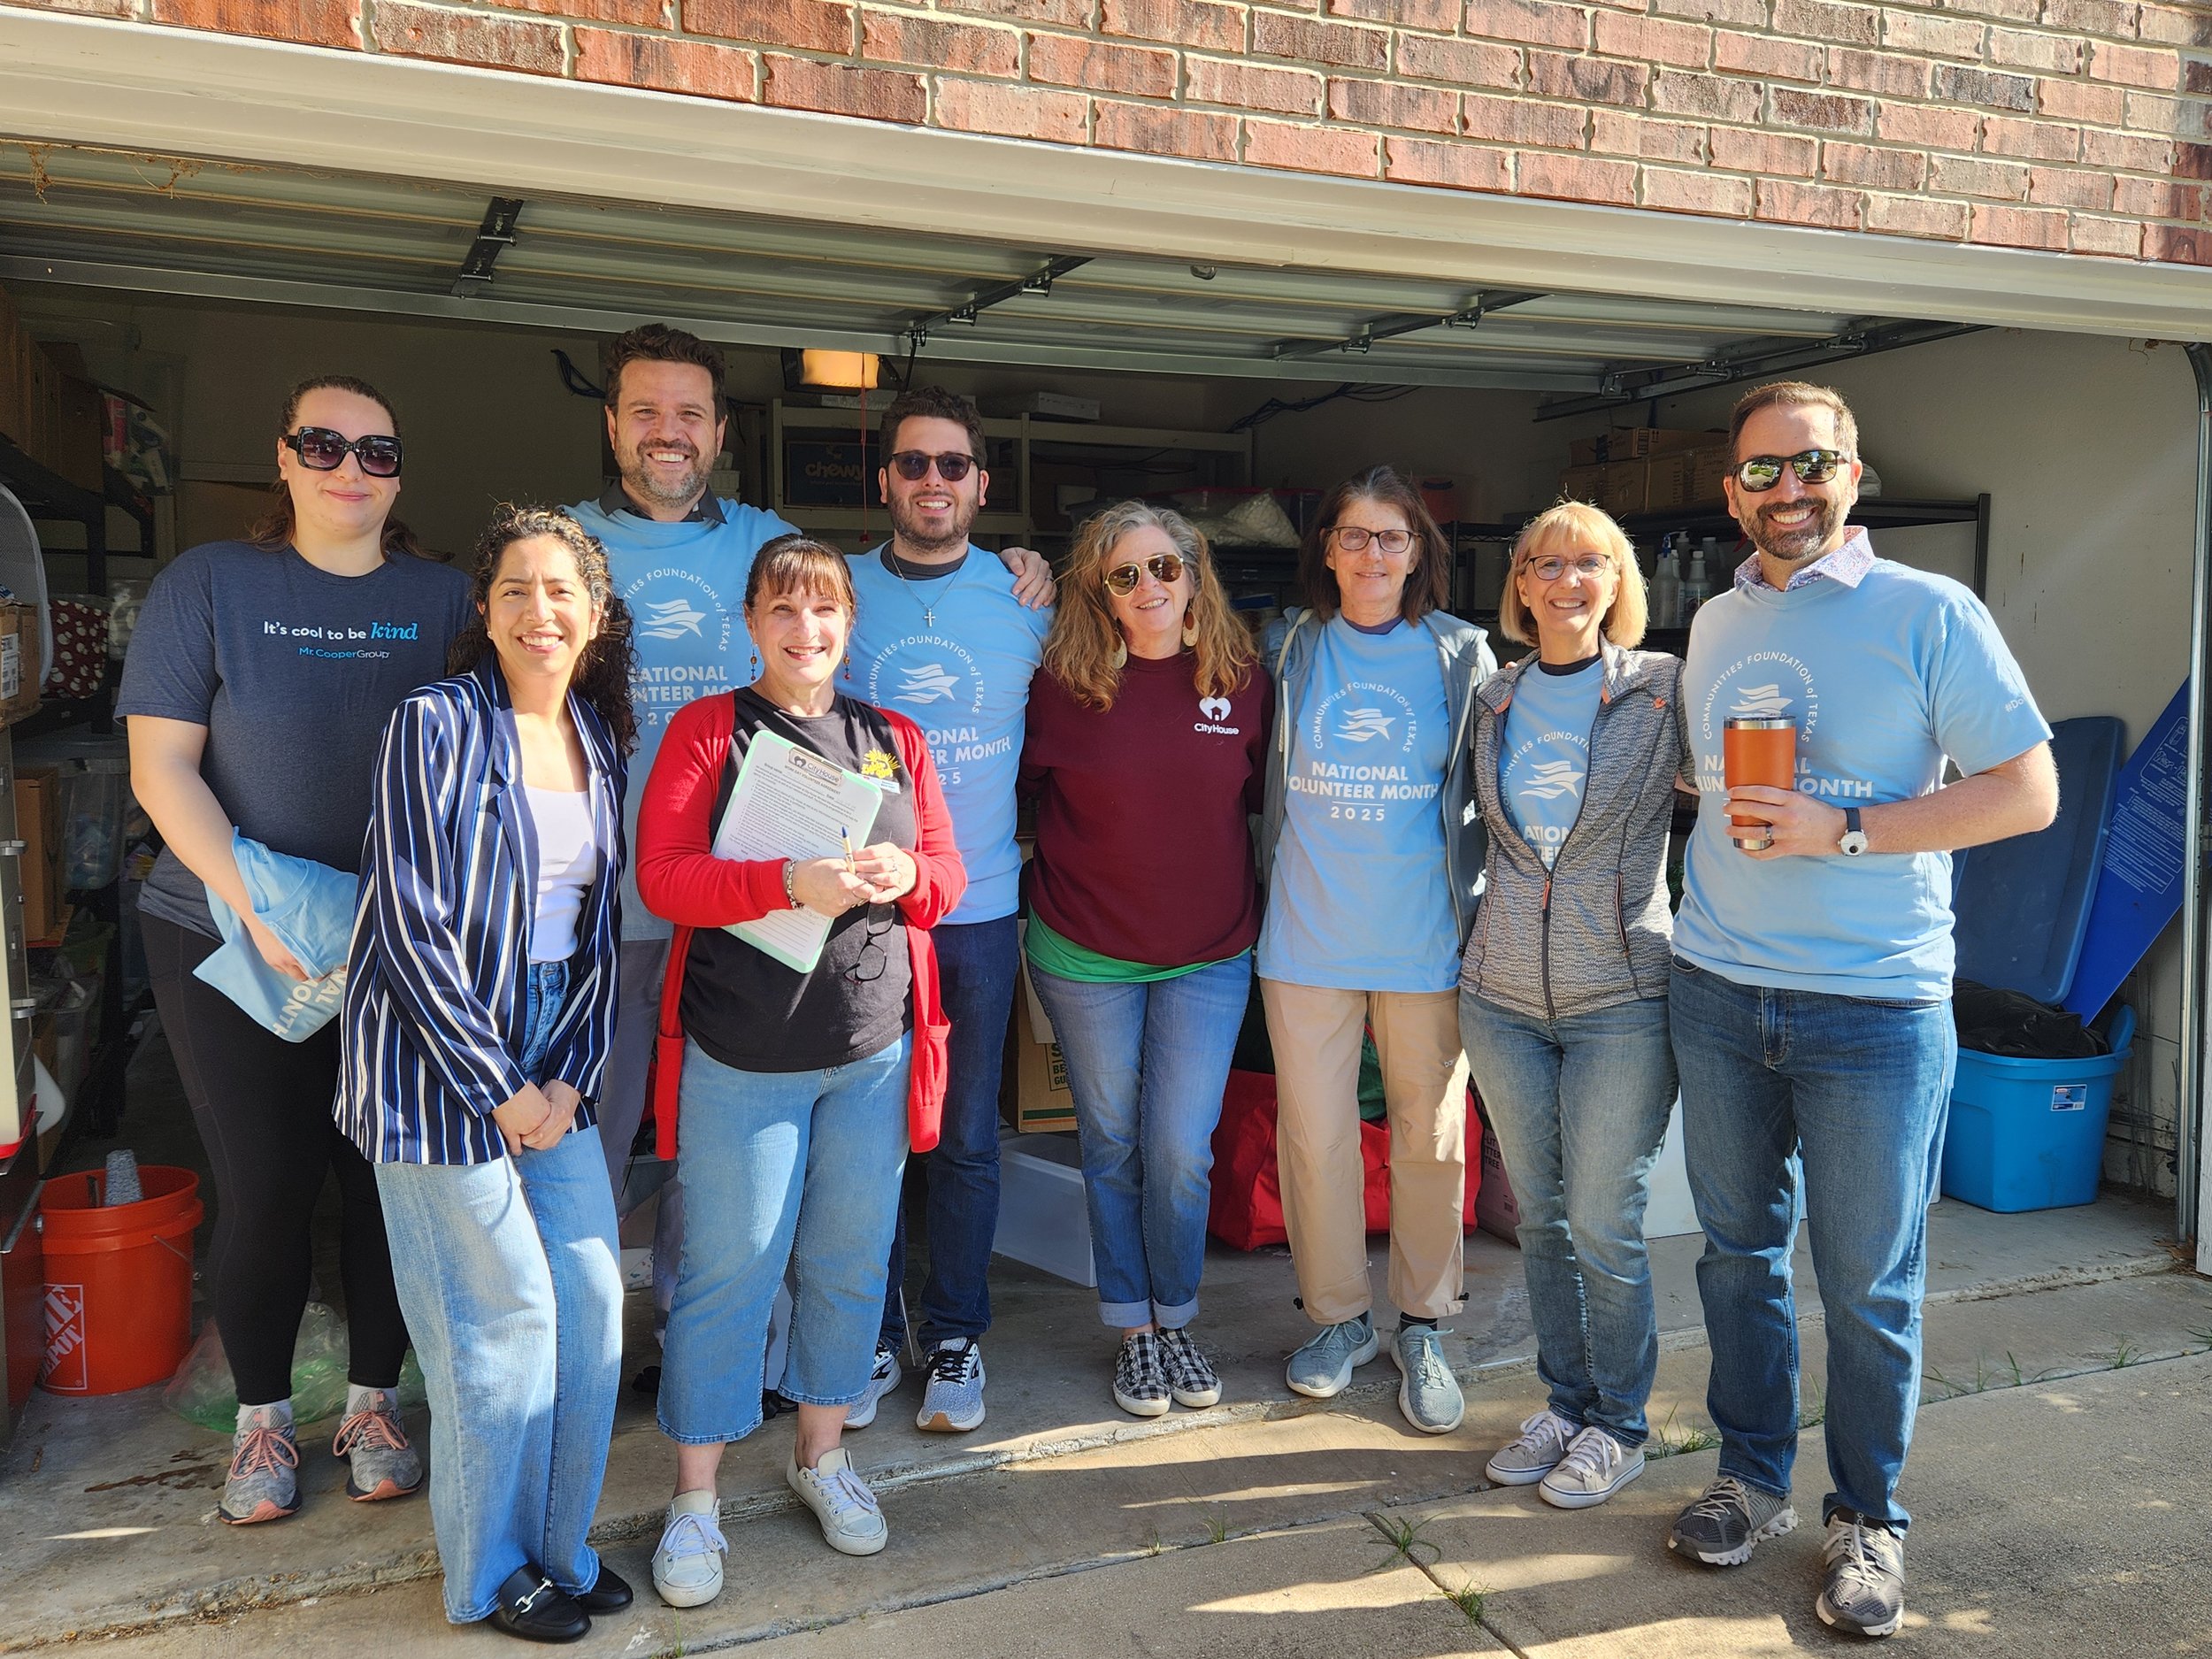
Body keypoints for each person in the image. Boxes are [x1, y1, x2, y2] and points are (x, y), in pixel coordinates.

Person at [568, 332, 1047, 1360]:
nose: (669, 433)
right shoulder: (567, 552)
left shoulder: (780, 545)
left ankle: (735, 1348)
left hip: (823, 925)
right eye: (646, 412)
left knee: (755, 1167)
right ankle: (589, 1357)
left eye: (690, 413)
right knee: (597, 1143)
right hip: (602, 906)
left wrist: (908, 872)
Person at [1665, 381, 2055, 1639]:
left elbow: (2027, 789)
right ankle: (1751, 1475)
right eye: (1764, 472)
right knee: (1736, 1254)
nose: (1790, 491)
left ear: (1853, 472)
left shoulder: (1932, 611)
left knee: (1871, 1281)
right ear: (1732, 492)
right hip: (1721, 984)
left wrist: (1846, 825)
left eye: (1813, 464)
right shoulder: (1716, 621)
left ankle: (1869, 1514)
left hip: (1877, 1005)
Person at [121, 374, 470, 1524]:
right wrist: (253, 898)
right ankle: (265, 1420)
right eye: (323, 443)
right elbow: (161, 763)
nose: (348, 467)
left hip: (393, 934)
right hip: (223, 931)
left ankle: (375, 1402)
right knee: (266, 1182)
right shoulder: (210, 582)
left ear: (399, 473)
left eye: (377, 451)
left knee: (384, 1176)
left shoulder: (445, 599)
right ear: (284, 457)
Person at [636, 535, 965, 1604]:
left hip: (870, 1052)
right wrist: (785, 878)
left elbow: (949, 876)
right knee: (729, 1273)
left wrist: (906, 868)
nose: (806, 630)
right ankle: (695, 1501)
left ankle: (823, 1455)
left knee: (848, 1262)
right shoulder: (710, 731)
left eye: (824, 612)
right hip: (746, 1053)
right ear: (750, 623)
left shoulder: (893, 736)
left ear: (848, 624)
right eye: (784, 610)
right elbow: (666, 877)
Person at [338, 507, 635, 1643]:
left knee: (594, 1305)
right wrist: (497, 1083)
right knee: (500, 1320)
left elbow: (595, 934)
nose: (539, 610)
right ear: (483, 611)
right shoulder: (435, 724)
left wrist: (569, 1080)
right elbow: (407, 925)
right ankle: (486, 1573)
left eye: (562, 591)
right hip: (433, 1059)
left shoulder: (600, 741)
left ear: (596, 617)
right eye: (515, 589)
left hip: (551, 1047)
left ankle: (559, 1547)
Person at [1256, 465, 1494, 1434]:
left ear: (1419, 554)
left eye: (1391, 537)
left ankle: (1425, 1322)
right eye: (1352, 535)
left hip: (1423, 938)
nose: (1371, 554)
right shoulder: (1286, 648)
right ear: (1326, 549)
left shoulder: (1461, 656)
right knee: (1313, 1143)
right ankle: (1337, 1319)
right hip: (1307, 936)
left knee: (1430, 1140)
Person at [1455, 501, 1683, 1510]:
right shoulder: (1495, 699)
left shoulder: (1662, 689)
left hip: (1622, 996)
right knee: (1541, 1222)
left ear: (1616, 579)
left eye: (1588, 562)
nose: (1565, 581)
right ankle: (1565, 1401)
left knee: (1603, 1220)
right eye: (1544, 563)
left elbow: (1737, 783)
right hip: (1498, 995)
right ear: (1520, 583)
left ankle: (1620, 1425)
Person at [1018, 502, 1269, 1417]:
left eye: (1164, 567)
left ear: (1194, 576)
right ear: (1098, 591)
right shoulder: (1059, 684)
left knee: (1178, 1149)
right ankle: (1135, 1331)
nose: (1149, 587)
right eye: (1125, 574)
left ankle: (1179, 1317)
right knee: (1114, 1141)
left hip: (1208, 951)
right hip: (1085, 952)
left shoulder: (1242, 678)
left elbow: (1270, 802)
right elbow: (1017, 798)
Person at [843, 386, 1052, 1435]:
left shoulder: (1028, 602)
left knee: (965, 1136)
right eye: (914, 465)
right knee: (869, 1136)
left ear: (980, 484)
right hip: (861, 913)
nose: (934, 482)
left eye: (953, 466)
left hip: (977, 911)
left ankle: (956, 1335)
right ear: (886, 480)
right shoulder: (832, 591)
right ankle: (871, 1335)